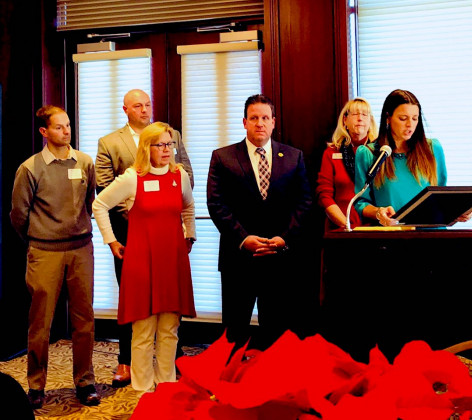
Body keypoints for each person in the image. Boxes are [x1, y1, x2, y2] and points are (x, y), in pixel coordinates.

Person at [96, 89, 193, 388]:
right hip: (140, 259)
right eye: (159, 144)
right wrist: (112, 241)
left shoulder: (180, 175)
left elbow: (188, 206)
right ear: (146, 147)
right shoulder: (131, 177)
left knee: (169, 330)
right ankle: (141, 391)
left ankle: (166, 388)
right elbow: (99, 205)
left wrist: (190, 233)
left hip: (171, 258)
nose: (166, 149)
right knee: (142, 330)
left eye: (169, 144)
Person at [10, 105, 100, 408]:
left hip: (81, 250)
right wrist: (40, 237)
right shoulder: (30, 168)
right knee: (41, 323)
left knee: (84, 319)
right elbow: (18, 215)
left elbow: (90, 202)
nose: (66, 131)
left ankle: (85, 382)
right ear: (44, 132)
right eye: (59, 127)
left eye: (68, 125)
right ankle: (36, 385)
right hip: (44, 251)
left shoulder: (85, 162)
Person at [207, 94, 312, 351]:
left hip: (280, 257)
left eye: (265, 118)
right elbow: (216, 204)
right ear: (244, 122)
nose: (260, 123)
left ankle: (272, 385)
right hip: (239, 258)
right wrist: (244, 239)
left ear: (274, 122)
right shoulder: (223, 157)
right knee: (234, 334)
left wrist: (284, 238)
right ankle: (229, 385)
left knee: (277, 333)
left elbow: (304, 202)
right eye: (254, 118)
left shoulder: (293, 157)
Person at [353, 89, 447, 225]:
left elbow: (441, 197)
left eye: (415, 118)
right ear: (388, 118)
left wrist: (457, 213)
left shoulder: (433, 148)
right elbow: (361, 202)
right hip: (392, 236)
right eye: (403, 118)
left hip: (431, 234)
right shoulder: (368, 154)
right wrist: (378, 212)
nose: (410, 124)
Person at [317, 98, 378, 230]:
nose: (360, 118)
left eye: (364, 114)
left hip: (373, 228)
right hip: (341, 227)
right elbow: (324, 195)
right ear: (345, 120)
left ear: (370, 121)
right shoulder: (331, 153)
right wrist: (346, 225)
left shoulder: (379, 153)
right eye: (355, 114)